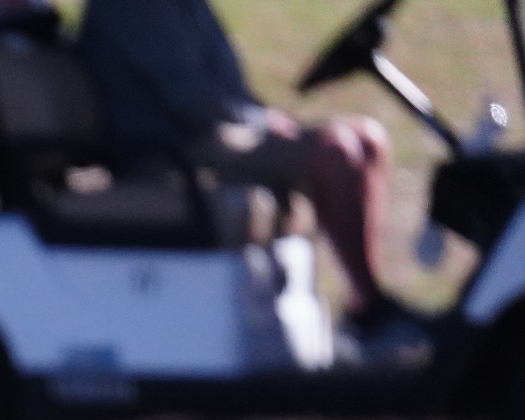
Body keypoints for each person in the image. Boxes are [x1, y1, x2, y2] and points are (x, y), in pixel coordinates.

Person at [76, 0, 427, 361]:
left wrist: (262, 118)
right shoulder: (134, 7)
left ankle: (365, 309)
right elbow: (188, 97)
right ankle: (369, 313)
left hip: (207, 138)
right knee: (335, 153)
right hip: (171, 152)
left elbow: (223, 87)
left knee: (367, 138)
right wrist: (261, 122)